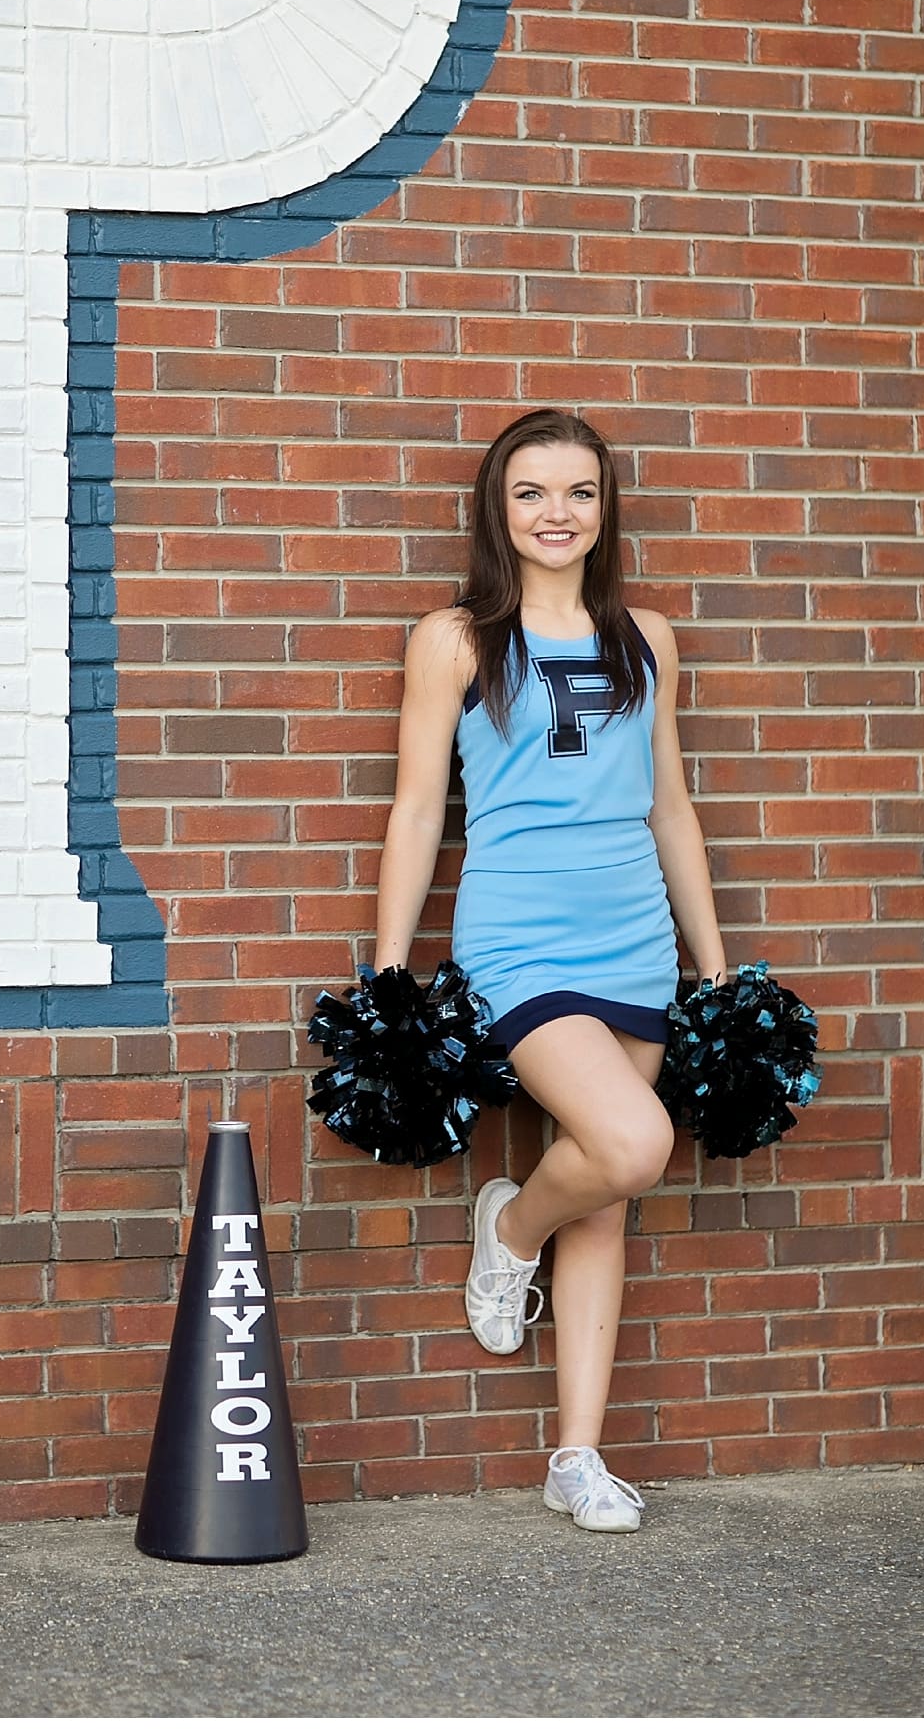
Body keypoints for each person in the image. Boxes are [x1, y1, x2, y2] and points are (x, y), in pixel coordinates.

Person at [368, 408, 729, 1534]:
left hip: (633, 936)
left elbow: (670, 806)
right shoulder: (456, 639)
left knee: (611, 1194)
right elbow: (422, 805)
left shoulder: (648, 637)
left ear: (605, 506)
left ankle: (578, 1453)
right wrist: (388, 972)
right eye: (532, 491)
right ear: (498, 506)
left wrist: (711, 969)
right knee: (633, 1144)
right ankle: (511, 1228)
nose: (557, 512)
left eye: (579, 490)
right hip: (518, 935)